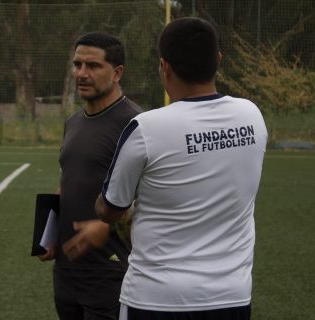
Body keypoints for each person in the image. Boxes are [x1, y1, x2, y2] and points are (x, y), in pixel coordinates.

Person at [95, 17, 267, 320]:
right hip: (231, 297)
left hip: (155, 300)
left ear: (165, 67)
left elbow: (110, 210)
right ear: (218, 60)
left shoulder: (146, 129)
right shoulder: (252, 116)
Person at [37, 32, 143, 320]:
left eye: (93, 66)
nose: (82, 73)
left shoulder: (135, 124)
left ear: (117, 73)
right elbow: (68, 181)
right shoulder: (73, 122)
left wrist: (107, 224)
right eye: (77, 64)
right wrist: (50, 230)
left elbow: (150, 196)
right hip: (67, 269)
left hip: (110, 268)